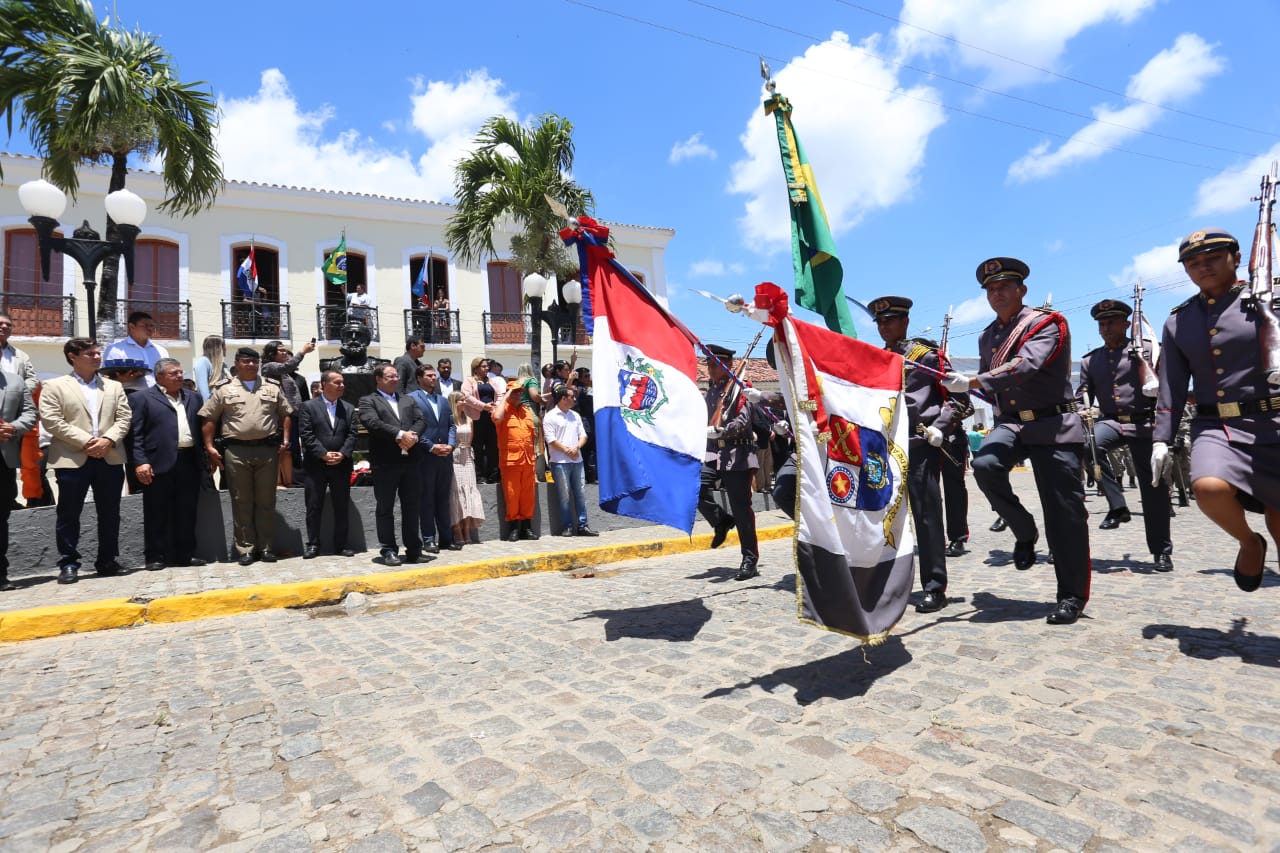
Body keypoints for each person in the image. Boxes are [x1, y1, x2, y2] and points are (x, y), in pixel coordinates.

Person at [944, 257, 1091, 626]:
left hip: (1053, 423)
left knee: (1065, 514)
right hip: (1012, 423)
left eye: (1004, 287)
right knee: (984, 465)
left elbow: (1024, 366)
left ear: (1022, 289)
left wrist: (975, 381)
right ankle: (1024, 530)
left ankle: (1070, 596)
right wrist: (964, 389)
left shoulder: (1047, 323)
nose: (997, 294)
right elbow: (997, 390)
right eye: (991, 290)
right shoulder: (987, 336)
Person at [1154, 228, 1280, 592]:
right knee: (1207, 487)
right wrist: (1161, 438)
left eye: (1212, 259)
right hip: (1217, 425)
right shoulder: (1179, 320)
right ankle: (1248, 542)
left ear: (1236, 258)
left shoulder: (1270, 300)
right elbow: (1172, 386)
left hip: (1273, 421)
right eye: (1193, 263)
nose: (1203, 268)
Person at [871, 296, 972, 613]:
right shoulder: (878, 359)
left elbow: (961, 399)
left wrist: (940, 426)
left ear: (905, 322)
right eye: (880, 322)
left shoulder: (925, 357)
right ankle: (885, 583)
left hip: (920, 446)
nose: (884, 327)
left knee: (927, 519)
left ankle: (934, 586)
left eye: (890, 321)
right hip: (886, 449)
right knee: (884, 519)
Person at [1076, 299, 1173, 571]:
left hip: (1145, 424)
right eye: (1101, 324)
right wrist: (1083, 410)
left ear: (1126, 324)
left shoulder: (1149, 349)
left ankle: (1161, 551)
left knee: (1153, 487)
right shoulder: (1091, 360)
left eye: (1111, 322)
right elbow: (1083, 394)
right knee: (1089, 444)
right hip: (1112, 422)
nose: (1106, 328)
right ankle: (1118, 506)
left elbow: (1170, 387)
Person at [40, 338, 133, 583]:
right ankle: (69, 563)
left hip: (109, 456)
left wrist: (108, 441)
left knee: (110, 512)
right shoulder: (54, 386)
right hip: (72, 457)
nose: (96, 357)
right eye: (90, 353)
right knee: (69, 513)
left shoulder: (113, 386)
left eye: (97, 352)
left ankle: (107, 560)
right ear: (73, 356)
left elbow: (124, 418)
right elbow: (51, 420)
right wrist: (87, 442)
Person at [200, 348, 293, 566]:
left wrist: (286, 440)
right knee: (241, 500)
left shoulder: (272, 387)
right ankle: (246, 549)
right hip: (236, 450)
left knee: (266, 500)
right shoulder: (223, 389)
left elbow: (285, 413)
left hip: (267, 451)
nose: (251, 365)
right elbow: (209, 418)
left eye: (254, 361)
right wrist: (209, 446)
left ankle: (267, 547)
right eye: (246, 361)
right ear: (237, 363)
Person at [130, 357, 206, 570]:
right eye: (174, 373)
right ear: (159, 377)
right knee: (156, 512)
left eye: (181, 372)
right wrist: (140, 461)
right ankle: (155, 556)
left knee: (187, 510)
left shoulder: (193, 397)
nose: (180, 376)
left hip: (189, 460)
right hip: (157, 462)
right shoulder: (141, 398)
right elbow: (135, 434)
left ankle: (186, 554)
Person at [697, 344, 760, 581]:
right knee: (695, 487)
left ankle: (749, 559)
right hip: (713, 453)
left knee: (742, 509)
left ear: (728, 365)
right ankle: (721, 520)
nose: (710, 369)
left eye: (714, 365)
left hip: (737, 455)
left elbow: (744, 421)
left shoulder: (742, 388)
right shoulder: (712, 391)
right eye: (709, 365)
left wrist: (722, 431)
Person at [358, 363, 427, 566]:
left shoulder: (408, 399)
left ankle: (414, 549)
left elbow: (421, 420)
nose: (396, 379)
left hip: (410, 461)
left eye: (397, 376)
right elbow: (372, 423)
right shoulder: (368, 400)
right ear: (378, 379)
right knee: (385, 508)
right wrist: (399, 434)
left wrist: (412, 436)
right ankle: (388, 550)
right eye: (390, 376)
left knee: (411, 507)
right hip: (385, 462)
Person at [298, 370, 358, 559]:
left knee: (341, 505)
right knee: (314, 505)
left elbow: (352, 434)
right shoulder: (308, 406)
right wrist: (323, 454)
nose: (341, 385)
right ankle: (313, 544)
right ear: (324, 384)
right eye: (336, 382)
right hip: (316, 465)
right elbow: (306, 434)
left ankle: (341, 545)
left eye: (342, 382)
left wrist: (342, 453)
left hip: (341, 464)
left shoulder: (348, 408)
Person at [409, 363, 460, 553]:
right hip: (425, 457)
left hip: (445, 457)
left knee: (443, 499)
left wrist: (451, 444)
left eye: (434, 376)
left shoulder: (444, 401)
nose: (434, 378)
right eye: (429, 375)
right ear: (419, 378)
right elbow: (412, 429)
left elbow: (451, 426)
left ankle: (446, 538)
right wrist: (430, 447)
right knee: (426, 499)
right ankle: (429, 539)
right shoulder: (411, 399)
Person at [544, 383, 597, 536]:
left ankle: (582, 525)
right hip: (560, 462)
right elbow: (551, 440)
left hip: (577, 460)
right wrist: (567, 450)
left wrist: (577, 448)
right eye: (572, 396)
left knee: (580, 493)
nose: (575, 399)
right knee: (564, 495)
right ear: (562, 398)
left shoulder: (575, 415)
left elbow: (584, 436)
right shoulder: (550, 416)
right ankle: (567, 526)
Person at [261, 339, 316, 488]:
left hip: (293, 415)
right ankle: (286, 480)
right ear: (272, 353)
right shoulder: (269, 367)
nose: (285, 353)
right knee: (286, 448)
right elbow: (287, 366)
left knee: (294, 449)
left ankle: (294, 479)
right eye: (281, 350)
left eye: (285, 350)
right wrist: (303, 351)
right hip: (281, 416)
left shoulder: (284, 372)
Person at [0, 365, 36, 590]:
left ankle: (0, 575)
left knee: (1, 519)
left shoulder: (14, 380)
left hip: (4, 461)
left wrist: (13, 427)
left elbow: (31, 413)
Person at [494, 383, 539, 540]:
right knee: (512, 495)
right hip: (511, 461)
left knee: (528, 496)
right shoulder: (502, 409)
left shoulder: (526, 411)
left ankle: (526, 528)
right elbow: (497, 417)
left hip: (528, 460)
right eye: (514, 392)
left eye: (519, 393)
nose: (517, 395)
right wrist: (505, 397)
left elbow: (533, 435)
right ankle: (514, 528)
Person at [447, 390, 485, 544]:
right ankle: (457, 530)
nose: (464, 402)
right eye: (460, 400)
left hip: (468, 457)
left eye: (464, 399)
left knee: (469, 491)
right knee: (456, 492)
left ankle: (467, 529)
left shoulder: (469, 419)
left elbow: (471, 439)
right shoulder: (449, 420)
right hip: (454, 457)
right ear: (454, 402)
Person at [105, 310, 168, 390]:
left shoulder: (161, 350)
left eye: (152, 326)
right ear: (131, 326)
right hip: (128, 394)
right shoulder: (115, 349)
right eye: (145, 325)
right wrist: (121, 379)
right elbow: (105, 377)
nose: (150, 329)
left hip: (157, 395)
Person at [462, 357, 501, 483]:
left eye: (487, 366)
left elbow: (500, 394)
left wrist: (496, 405)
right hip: (476, 418)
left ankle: (493, 474)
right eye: (483, 366)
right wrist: (483, 406)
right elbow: (467, 396)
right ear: (476, 368)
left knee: (492, 447)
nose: (486, 368)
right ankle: (479, 475)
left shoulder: (492, 381)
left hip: (491, 417)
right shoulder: (469, 380)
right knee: (477, 447)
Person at [941, 424, 971, 557]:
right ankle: (931, 538)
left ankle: (958, 537)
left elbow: (966, 407)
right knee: (925, 491)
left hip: (952, 439)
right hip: (921, 440)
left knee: (954, 490)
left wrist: (941, 422)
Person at [0, 310, 37, 393]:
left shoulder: (21, 356)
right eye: (0, 323)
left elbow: (31, 379)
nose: (5, 326)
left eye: (8, 325)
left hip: (13, 402)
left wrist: (20, 393)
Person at [572, 366, 597, 483]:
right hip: (585, 421)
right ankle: (588, 475)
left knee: (591, 449)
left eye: (589, 375)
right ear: (580, 377)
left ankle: (591, 474)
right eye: (586, 376)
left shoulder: (585, 388)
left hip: (591, 420)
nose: (588, 378)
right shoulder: (581, 389)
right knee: (587, 448)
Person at [193, 335, 228, 402]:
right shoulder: (203, 362)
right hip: (211, 408)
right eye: (224, 346)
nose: (226, 348)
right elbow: (204, 394)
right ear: (217, 348)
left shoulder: (223, 365)